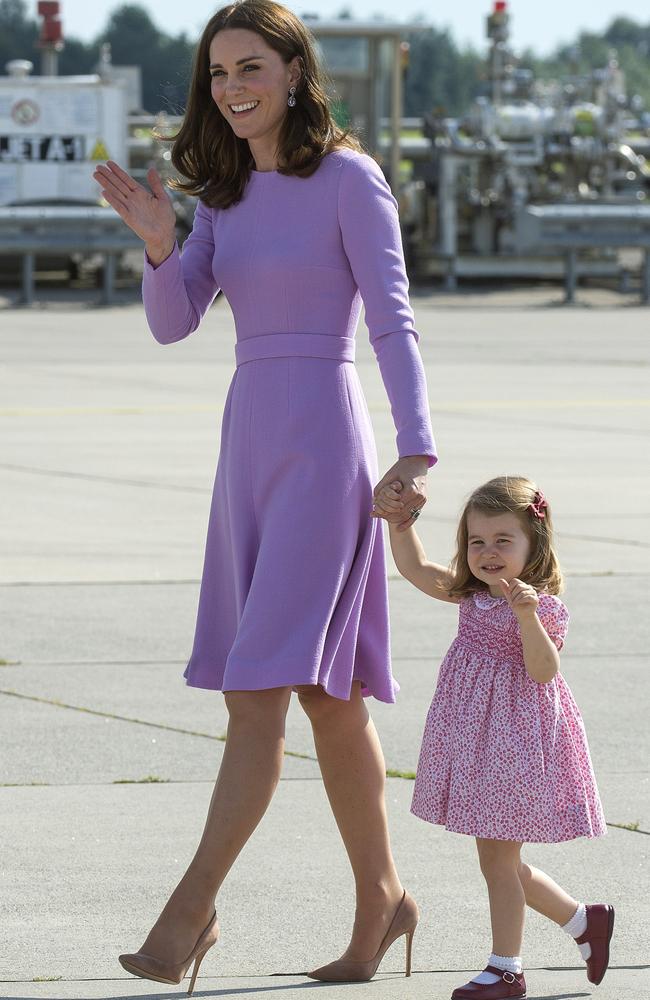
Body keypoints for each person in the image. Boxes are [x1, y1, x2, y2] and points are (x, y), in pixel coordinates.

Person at [94, 0, 435, 992]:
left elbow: (393, 320)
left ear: (293, 71)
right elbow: (173, 323)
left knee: (257, 694)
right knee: (328, 699)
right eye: (216, 74)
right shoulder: (225, 196)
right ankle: (384, 899)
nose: (231, 87)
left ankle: (185, 915)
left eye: (249, 66)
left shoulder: (348, 177)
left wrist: (414, 450)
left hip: (325, 446)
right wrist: (161, 243)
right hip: (247, 448)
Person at [373, 475, 613, 1000]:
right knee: (497, 860)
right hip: (477, 739)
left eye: (504, 541)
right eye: (477, 542)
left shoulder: (542, 606)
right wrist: (400, 522)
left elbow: (544, 670)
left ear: (534, 544)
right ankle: (583, 922)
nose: (488, 553)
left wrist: (526, 614)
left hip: (516, 742)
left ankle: (506, 970)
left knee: (498, 861)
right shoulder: (472, 594)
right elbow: (414, 568)